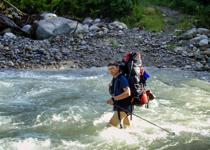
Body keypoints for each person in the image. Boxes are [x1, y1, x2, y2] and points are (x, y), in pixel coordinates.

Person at [106, 62, 133, 128]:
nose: (111, 71)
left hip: (123, 107)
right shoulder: (115, 79)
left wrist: (113, 99)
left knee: (109, 127)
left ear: (118, 68)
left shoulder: (121, 78)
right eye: (109, 69)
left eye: (112, 68)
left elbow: (127, 93)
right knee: (127, 127)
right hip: (123, 107)